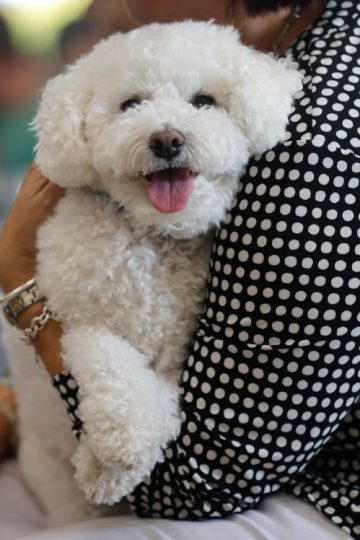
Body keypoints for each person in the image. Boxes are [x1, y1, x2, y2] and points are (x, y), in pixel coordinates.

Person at [0, 0, 359, 537]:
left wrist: (18, 272)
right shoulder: (308, 37)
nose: (166, 132)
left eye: (202, 101)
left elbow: (198, 485)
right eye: (131, 104)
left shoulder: (313, 153)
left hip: (313, 489)